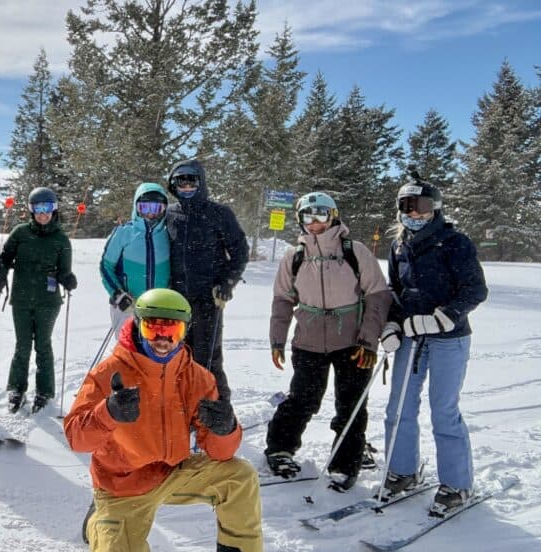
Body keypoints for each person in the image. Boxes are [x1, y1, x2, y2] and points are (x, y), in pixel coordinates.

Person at [65, 288, 263, 552]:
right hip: (122, 486)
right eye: (153, 328)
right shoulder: (109, 373)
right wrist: (108, 412)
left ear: (184, 331)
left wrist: (226, 429)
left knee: (240, 477)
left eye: (172, 330)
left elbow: (220, 452)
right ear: (138, 325)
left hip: (173, 472)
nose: (163, 340)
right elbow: (75, 437)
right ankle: (99, 523)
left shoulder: (197, 378)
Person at [263, 192, 392, 491]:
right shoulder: (294, 256)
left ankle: (345, 464)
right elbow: (282, 299)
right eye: (307, 216)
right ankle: (280, 449)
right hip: (308, 342)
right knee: (303, 399)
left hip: (353, 343)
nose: (315, 222)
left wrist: (369, 341)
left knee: (351, 405)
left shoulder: (355, 251)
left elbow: (377, 296)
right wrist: (277, 340)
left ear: (333, 216)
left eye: (321, 214)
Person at [379, 175, 488, 516]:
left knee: (443, 410)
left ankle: (456, 483)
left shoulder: (455, 243)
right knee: (398, 407)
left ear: (436, 209)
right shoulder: (399, 246)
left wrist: (444, 317)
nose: (414, 213)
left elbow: (475, 289)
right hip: (411, 335)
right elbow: (396, 291)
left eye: (422, 206)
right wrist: (391, 324)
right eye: (407, 206)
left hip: (449, 339)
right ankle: (403, 471)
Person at [164, 158, 249, 400]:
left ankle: (218, 410)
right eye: (181, 182)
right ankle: (180, 407)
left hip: (207, 300)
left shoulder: (219, 214)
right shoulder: (169, 214)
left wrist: (227, 283)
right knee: (172, 355)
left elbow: (240, 251)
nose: (186, 187)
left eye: (192, 182)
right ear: (173, 185)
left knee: (207, 359)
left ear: (201, 183)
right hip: (174, 300)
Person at [0, 187, 77, 414]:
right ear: (31, 210)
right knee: (22, 345)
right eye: (38, 208)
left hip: (48, 302)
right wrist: (1, 274)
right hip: (21, 300)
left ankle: (44, 391)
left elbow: (64, 271)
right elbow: (5, 258)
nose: (43, 213)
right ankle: (16, 388)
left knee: (43, 345)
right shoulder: (20, 233)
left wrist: (68, 279)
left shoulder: (61, 239)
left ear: (54, 209)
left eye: (47, 208)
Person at [99, 182, 171, 331]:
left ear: (164, 209)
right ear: (136, 207)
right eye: (144, 208)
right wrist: (118, 294)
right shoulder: (124, 232)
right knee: (128, 344)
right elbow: (106, 266)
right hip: (128, 305)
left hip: (161, 305)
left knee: (158, 344)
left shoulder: (168, 234)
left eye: (156, 208)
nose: (150, 213)